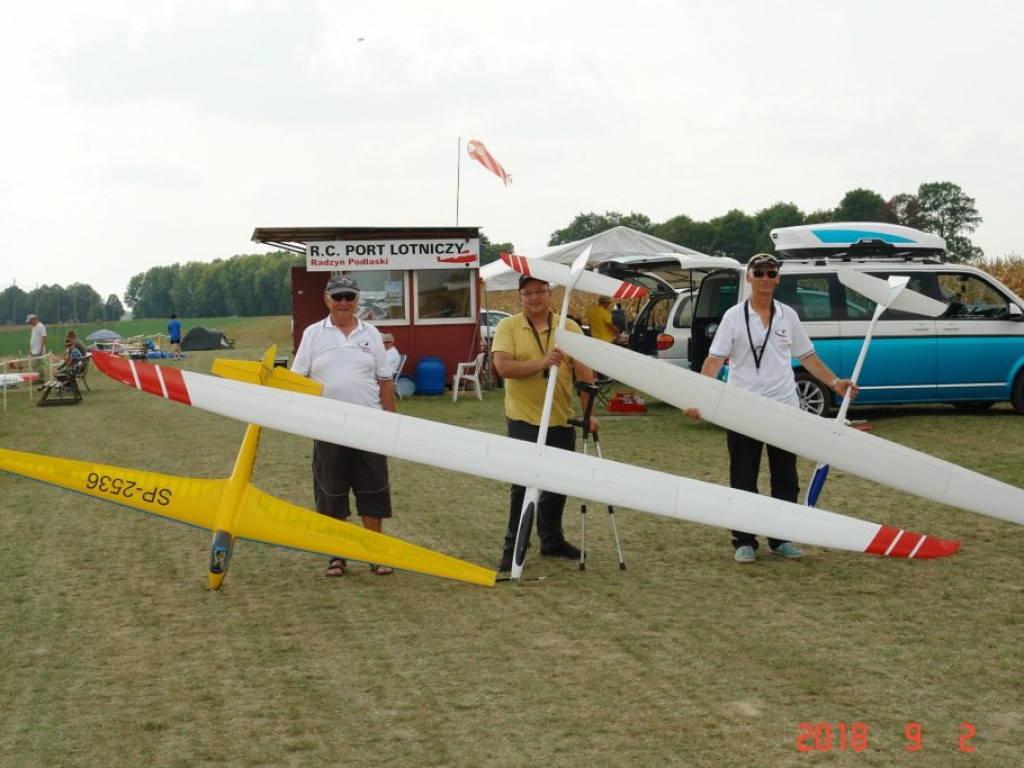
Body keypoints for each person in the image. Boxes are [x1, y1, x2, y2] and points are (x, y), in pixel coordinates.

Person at [684, 253, 858, 564]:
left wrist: (835, 383)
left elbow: (807, 356)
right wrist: (698, 398)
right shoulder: (733, 317)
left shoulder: (788, 315)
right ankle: (744, 541)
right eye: (759, 272)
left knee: (786, 479)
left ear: (778, 278)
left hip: (784, 408)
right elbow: (714, 361)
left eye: (771, 273)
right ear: (749, 277)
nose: (765, 278)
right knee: (743, 479)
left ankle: (781, 538)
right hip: (743, 409)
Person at [491, 273, 599, 572]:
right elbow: (503, 367)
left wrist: (589, 413)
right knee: (523, 485)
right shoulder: (508, 326)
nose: (534, 298)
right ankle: (513, 547)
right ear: (520, 298)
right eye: (527, 293)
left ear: (550, 295)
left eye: (540, 291)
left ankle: (552, 540)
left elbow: (584, 374)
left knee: (557, 484)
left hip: (561, 418)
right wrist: (542, 363)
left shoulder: (569, 327)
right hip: (523, 419)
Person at [291, 275, 398, 577]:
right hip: (328, 427)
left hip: (369, 427)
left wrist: (392, 424)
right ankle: (336, 556)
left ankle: (375, 553)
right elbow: (297, 381)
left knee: (373, 490)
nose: (343, 303)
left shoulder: (372, 333)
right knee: (332, 493)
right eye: (337, 297)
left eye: (349, 297)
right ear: (327, 299)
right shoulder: (313, 334)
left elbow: (385, 381)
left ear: (357, 300)